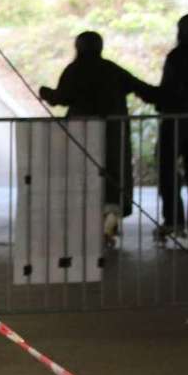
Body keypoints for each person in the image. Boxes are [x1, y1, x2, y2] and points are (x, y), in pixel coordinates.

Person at [40, 31, 146, 232]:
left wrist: (44, 92)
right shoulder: (112, 70)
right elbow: (143, 89)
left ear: (78, 47)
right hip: (113, 133)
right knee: (113, 173)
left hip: (81, 133)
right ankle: (111, 213)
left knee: (83, 174)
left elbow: (60, 98)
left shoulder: (74, 70)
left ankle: (86, 219)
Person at [135, 14, 188, 244]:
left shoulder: (176, 56)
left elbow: (168, 91)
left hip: (174, 121)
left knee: (167, 170)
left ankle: (173, 220)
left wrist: (143, 91)